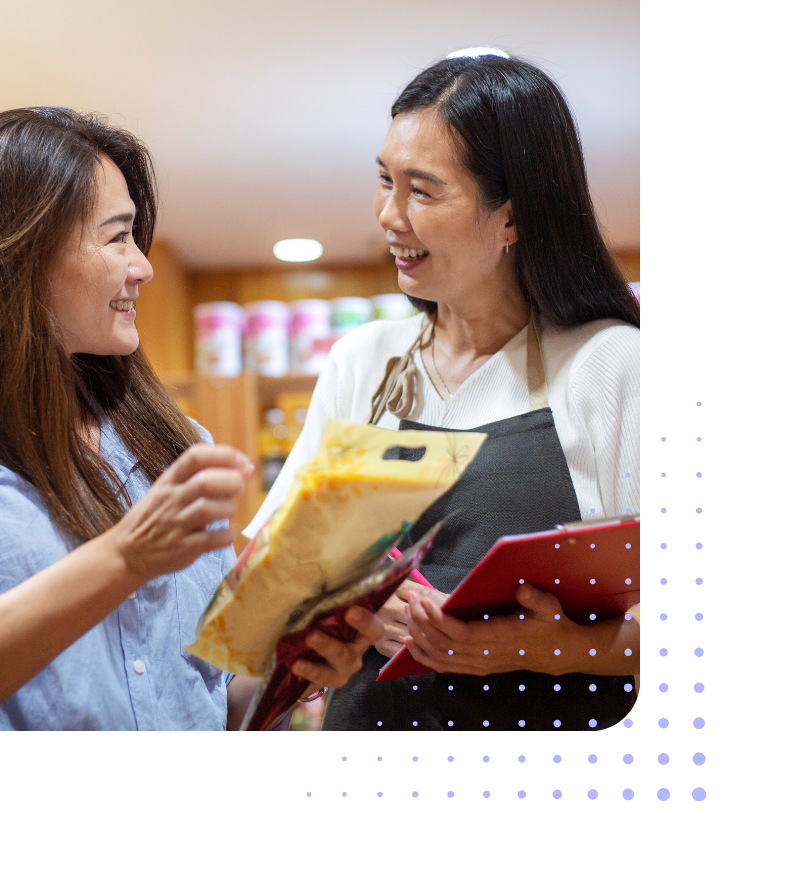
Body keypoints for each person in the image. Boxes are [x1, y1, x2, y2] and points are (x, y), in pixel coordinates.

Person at [0, 107, 383, 731]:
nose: (144, 267)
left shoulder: (177, 444)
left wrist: (290, 668)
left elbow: (207, 697)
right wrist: (124, 559)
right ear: (20, 255)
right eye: (117, 238)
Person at [243, 53, 641, 731]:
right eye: (383, 181)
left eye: (422, 191)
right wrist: (345, 605)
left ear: (511, 215)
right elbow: (268, 569)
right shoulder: (362, 364)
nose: (389, 216)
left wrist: (552, 647)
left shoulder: (611, 365)